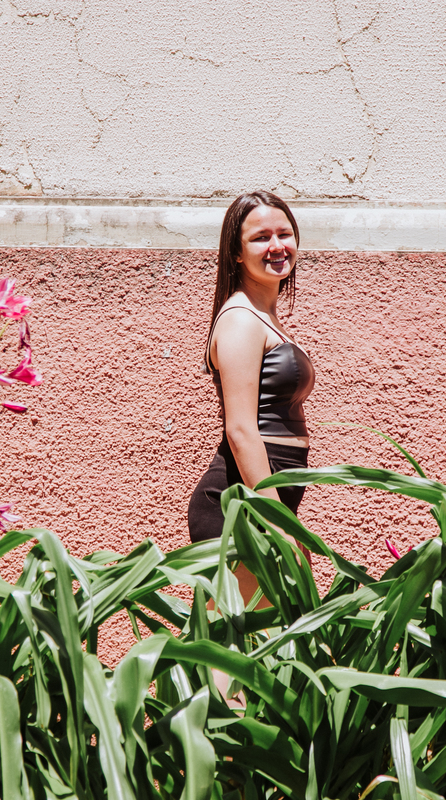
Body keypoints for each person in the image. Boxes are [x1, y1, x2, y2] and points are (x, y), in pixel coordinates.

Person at [187, 190, 315, 606]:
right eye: (261, 237)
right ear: (237, 253)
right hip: (241, 504)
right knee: (233, 637)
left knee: (266, 634)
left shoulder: (263, 316)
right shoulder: (241, 320)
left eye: (284, 233)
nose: (277, 246)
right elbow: (241, 430)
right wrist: (276, 523)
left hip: (266, 498)